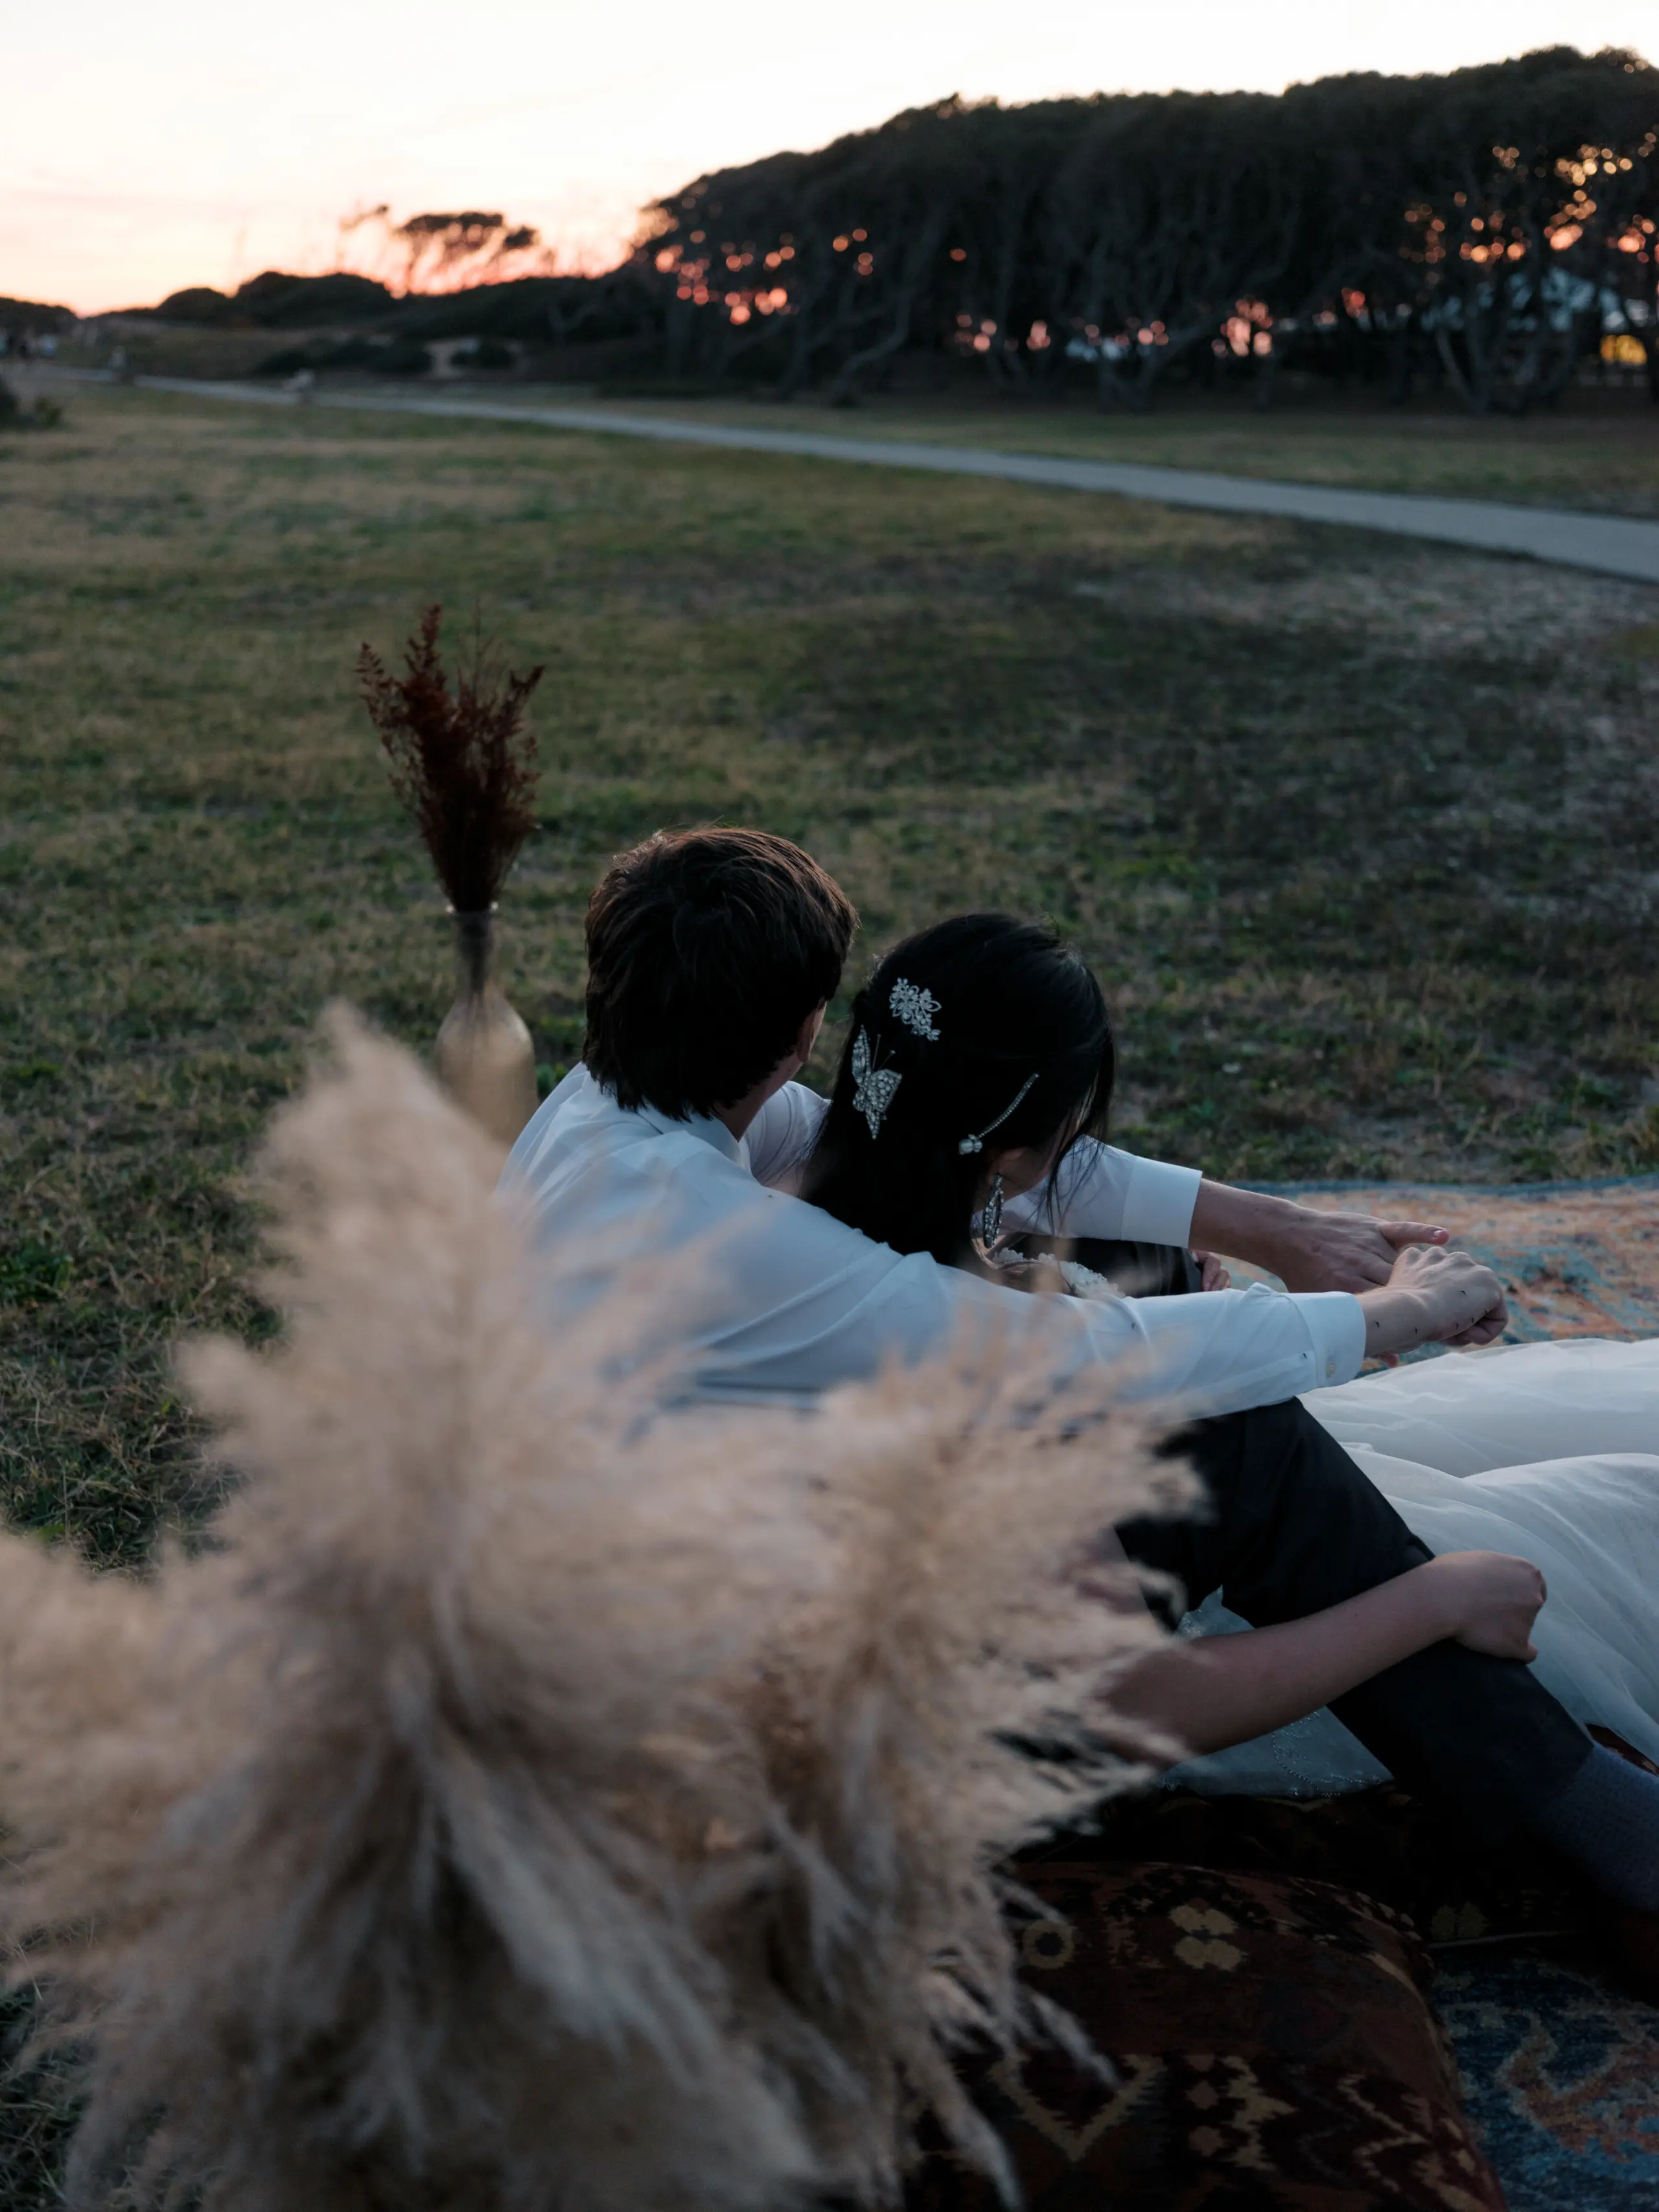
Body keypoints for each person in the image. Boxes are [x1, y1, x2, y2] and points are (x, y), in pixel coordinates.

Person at [503, 828, 1659, 1933]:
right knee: (1239, 1437)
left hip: (660, 1615)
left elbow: (902, 1139)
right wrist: (1390, 1326)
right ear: (806, 1028)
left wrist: (1273, 1226)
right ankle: (1608, 1833)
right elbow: (1089, 1424)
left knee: (1127, 1274)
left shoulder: (606, 1113)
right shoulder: (735, 1245)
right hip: (770, 1768)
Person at [800, 910, 1659, 1806]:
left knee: (1156, 1277)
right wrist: (1431, 1600)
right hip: (969, 1754)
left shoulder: (806, 1184)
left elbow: (1048, 1226)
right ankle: (1600, 1823)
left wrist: (1267, 1247)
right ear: (1013, 1149)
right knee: (1250, 1429)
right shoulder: (978, 1360)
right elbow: (1124, 1708)